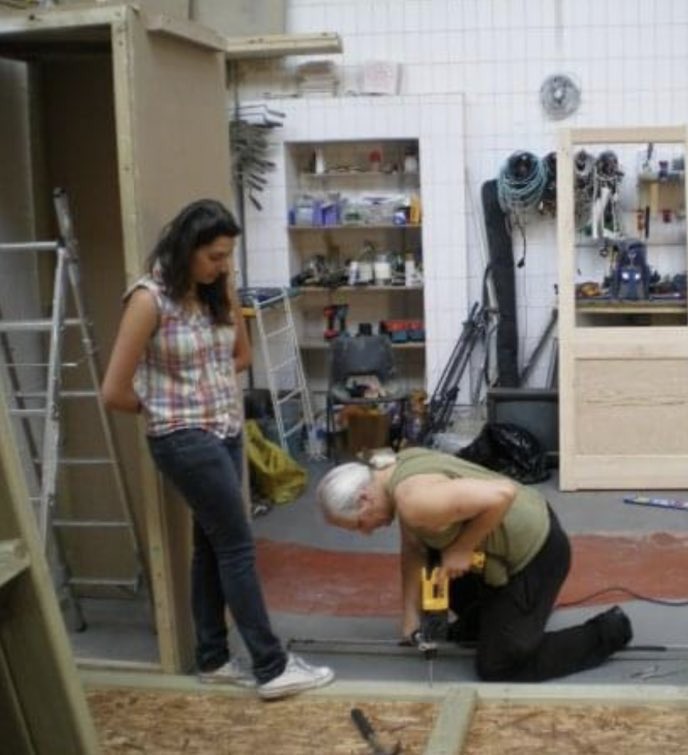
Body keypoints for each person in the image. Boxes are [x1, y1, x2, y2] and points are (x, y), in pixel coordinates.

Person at [101, 199, 333, 700]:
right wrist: (164, 408)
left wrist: (209, 385)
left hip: (226, 429)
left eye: (228, 256)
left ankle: (212, 658)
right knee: (236, 545)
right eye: (215, 256)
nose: (224, 265)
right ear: (186, 249)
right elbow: (114, 391)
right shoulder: (148, 300)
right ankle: (271, 668)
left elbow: (243, 355)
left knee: (210, 545)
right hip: (183, 437)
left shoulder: (217, 289)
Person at [316, 447, 633, 682]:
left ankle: (607, 632)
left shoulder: (414, 501)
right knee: (434, 565)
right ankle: (499, 616)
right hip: (503, 545)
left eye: (359, 524)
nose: (366, 531)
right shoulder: (392, 475)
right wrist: (410, 619)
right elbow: (413, 549)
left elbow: (502, 494)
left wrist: (462, 549)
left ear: (364, 499)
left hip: (537, 553)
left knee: (499, 666)